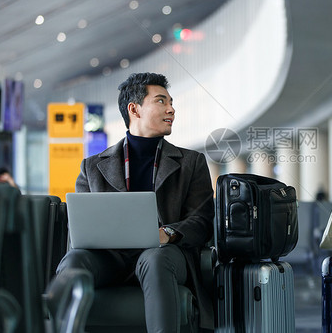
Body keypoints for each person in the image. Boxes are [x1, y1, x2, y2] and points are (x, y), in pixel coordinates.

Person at [56, 72, 215, 332]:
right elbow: (80, 228)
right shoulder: (92, 167)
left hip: (164, 256)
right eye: (161, 101)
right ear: (134, 109)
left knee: (154, 260)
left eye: (171, 102)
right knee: (74, 262)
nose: (171, 109)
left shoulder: (191, 163)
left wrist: (167, 233)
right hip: (110, 259)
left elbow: (201, 221)